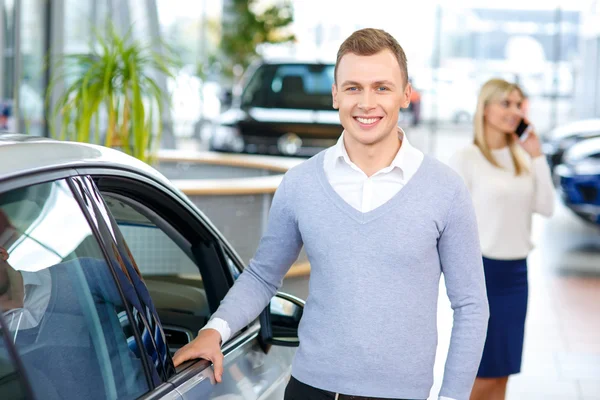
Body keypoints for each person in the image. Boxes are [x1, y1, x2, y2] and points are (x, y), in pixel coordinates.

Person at [174, 28, 489, 400]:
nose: (366, 102)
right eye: (353, 87)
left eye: (382, 87)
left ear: (406, 94)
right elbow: (262, 275)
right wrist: (214, 331)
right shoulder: (300, 184)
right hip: (310, 390)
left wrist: (452, 397)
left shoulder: (445, 189)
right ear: (335, 95)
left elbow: (470, 305)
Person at [448, 79, 555, 400]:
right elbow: (452, 223)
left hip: (516, 276)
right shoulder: (466, 158)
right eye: (506, 103)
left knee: (502, 373)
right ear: (485, 108)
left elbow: (546, 208)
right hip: (482, 275)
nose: (514, 111)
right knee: (481, 374)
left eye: (518, 104)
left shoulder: (523, 156)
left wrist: (537, 156)